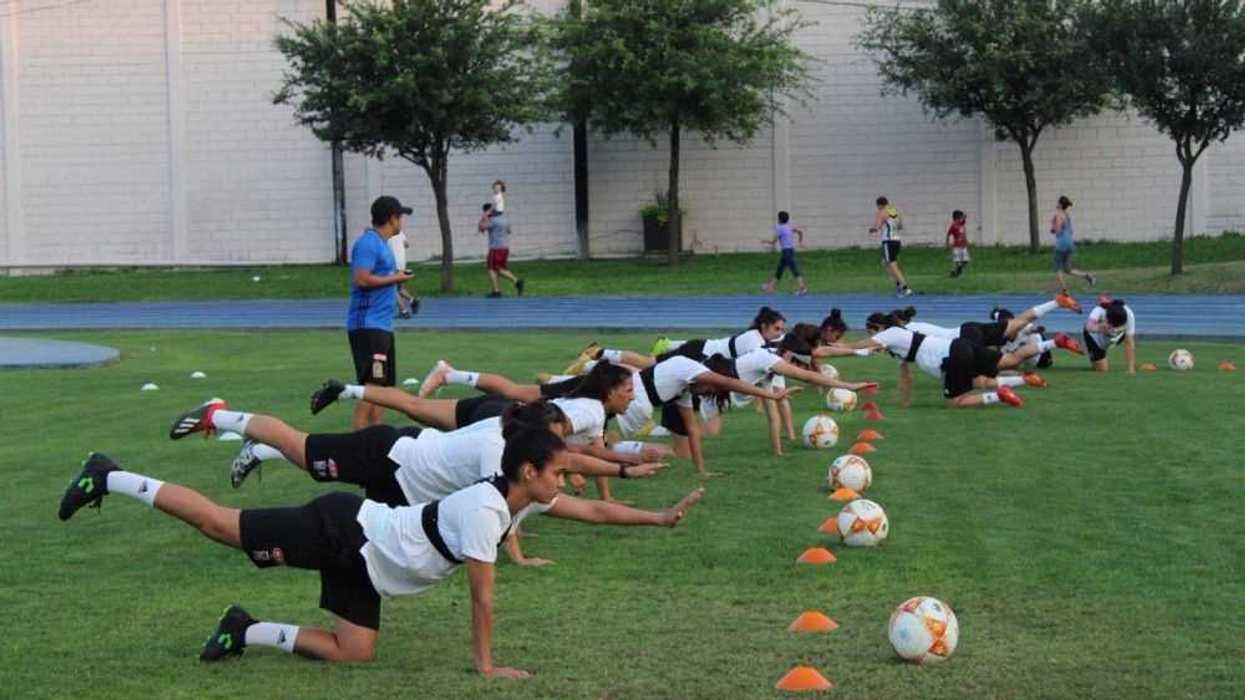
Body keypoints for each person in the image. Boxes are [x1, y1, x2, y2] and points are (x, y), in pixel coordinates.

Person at [58, 431, 702, 672]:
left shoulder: (514, 498)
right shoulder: (485, 511)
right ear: (530, 470)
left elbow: (591, 508)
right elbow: (482, 598)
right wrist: (486, 667)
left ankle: (244, 631)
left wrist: (659, 518)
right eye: (558, 472)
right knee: (221, 527)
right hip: (348, 532)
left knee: (355, 651)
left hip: (369, 562)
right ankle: (109, 475)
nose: (565, 483)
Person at [821, 311, 1058, 409]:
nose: (872, 336)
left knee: (955, 402)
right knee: (1006, 362)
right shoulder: (899, 338)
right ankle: (1030, 373)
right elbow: (904, 374)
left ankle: (1001, 395)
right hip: (961, 346)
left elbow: (860, 347)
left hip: (951, 356)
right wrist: (904, 401)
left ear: (878, 328)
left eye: (871, 331)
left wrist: (836, 348)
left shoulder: (890, 335)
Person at [347, 196, 414, 429]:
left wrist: (401, 288)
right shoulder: (368, 243)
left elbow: (383, 279)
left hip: (382, 325)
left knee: (383, 389)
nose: (402, 222)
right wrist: (397, 277)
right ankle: (357, 442)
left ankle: (376, 438)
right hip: (368, 326)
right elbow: (362, 279)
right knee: (373, 386)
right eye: (400, 217)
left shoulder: (382, 244)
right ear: (392, 219)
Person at [592, 307, 788, 374]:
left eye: (782, 329)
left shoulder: (759, 338)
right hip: (697, 352)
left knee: (649, 369)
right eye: (776, 329)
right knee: (648, 364)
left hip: (700, 352)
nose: (780, 333)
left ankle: (599, 361)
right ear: (764, 326)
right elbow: (764, 360)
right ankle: (598, 354)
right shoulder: (753, 340)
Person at [1050, 195, 1096, 291]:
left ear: (1060, 204)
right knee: (1067, 269)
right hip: (1070, 243)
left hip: (1062, 243)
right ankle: (1088, 277)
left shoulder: (1058, 215)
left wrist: (1053, 227)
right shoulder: (1066, 215)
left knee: (1057, 268)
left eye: (1058, 202)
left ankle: (1064, 290)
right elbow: (1069, 230)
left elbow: (1057, 230)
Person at [870, 196, 913, 297]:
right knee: (885, 263)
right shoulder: (893, 211)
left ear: (879, 205)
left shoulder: (882, 212)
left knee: (892, 264)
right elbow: (900, 225)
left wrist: (873, 229)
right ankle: (898, 283)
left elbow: (877, 226)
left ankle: (905, 287)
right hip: (897, 240)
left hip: (888, 241)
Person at [480, 203, 524, 298]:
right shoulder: (505, 219)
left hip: (495, 248)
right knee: (499, 268)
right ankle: (497, 290)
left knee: (491, 268)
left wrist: (484, 217)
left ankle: (514, 282)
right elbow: (509, 231)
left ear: (488, 211)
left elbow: (481, 228)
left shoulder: (491, 220)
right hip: (505, 248)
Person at [1084, 295, 1136, 374]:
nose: (1114, 327)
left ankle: (1104, 353)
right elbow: (1088, 327)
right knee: (1103, 370)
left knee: (1127, 335)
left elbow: (1129, 342)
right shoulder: (1099, 310)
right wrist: (1100, 327)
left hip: (1114, 338)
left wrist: (1131, 369)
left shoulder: (1129, 315)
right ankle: (1094, 355)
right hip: (1095, 340)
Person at [761, 211, 808, 296]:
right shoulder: (789, 227)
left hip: (786, 252)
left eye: (778, 218)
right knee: (779, 270)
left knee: (794, 270)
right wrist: (800, 242)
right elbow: (800, 232)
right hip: (789, 251)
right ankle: (770, 288)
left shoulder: (780, 228)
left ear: (779, 219)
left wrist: (764, 241)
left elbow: (773, 242)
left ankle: (802, 288)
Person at [386, 224, 418, 318]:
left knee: (392, 289)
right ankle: (412, 301)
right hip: (402, 263)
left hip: (393, 263)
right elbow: (406, 244)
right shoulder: (400, 232)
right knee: (400, 288)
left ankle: (404, 311)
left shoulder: (386, 233)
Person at [946, 210, 970, 278]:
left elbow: (963, 233)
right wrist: (947, 244)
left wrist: (966, 241)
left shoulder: (962, 224)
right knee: (957, 261)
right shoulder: (953, 226)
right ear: (956, 218)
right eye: (959, 217)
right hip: (956, 247)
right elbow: (948, 234)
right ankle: (955, 272)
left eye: (961, 218)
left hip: (963, 246)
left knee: (966, 260)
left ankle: (955, 271)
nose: (961, 219)